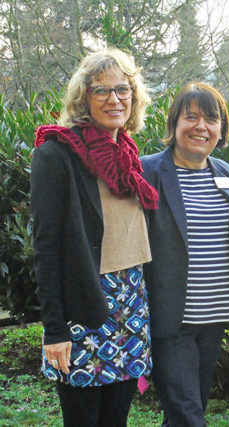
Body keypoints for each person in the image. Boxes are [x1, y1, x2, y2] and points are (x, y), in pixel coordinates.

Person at [30, 48, 156, 426]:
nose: (114, 99)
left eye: (123, 89)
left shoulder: (128, 156)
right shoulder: (57, 155)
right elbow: (46, 248)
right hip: (83, 307)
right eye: (101, 90)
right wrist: (53, 329)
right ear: (83, 96)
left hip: (132, 303)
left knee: (117, 419)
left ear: (134, 96)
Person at [140, 82, 229, 426]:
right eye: (191, 117)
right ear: (174, 124)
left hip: (213, 321)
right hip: (171, 322)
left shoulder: (228, 176)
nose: (201, 126)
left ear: (221, 129)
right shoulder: (147, 171)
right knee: (189, 416)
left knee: (186, 408)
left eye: (211, 119)